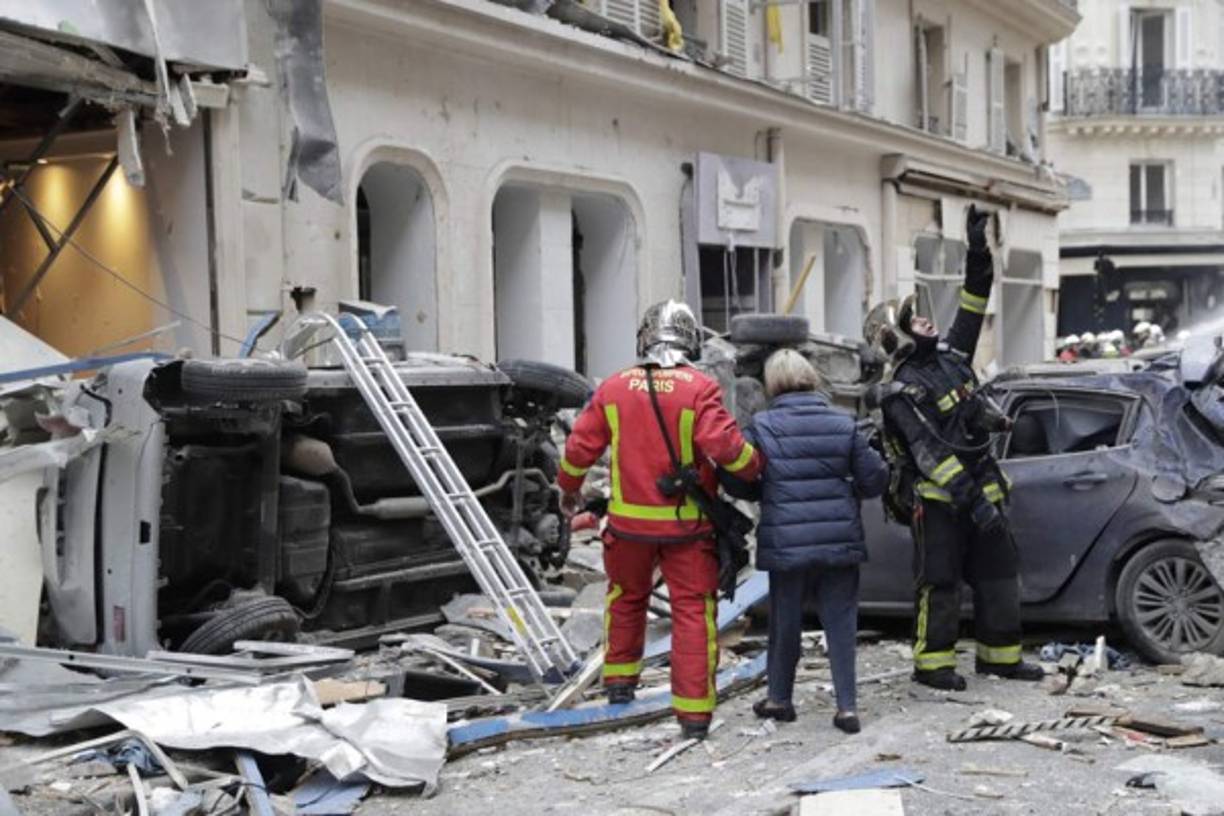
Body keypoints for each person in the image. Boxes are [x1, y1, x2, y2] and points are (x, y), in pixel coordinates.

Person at [556, 300, 763, 740]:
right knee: (692, 613)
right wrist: (755, 466)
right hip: (686, 529)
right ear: (689, 339)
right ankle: (694, 715)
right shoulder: (699, 388)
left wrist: (569, 490)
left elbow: (578, 449)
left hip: (627, 526)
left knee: (625, 598)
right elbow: (727, 450)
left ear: (645, 338)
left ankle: (619, 683)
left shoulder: (614, 387)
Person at [865, 206, 1044, 691]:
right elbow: (931, 456)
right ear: (897, 337)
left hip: (981, 486)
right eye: (913, 318)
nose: (926, 319)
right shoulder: (901, 392)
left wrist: (977, 249)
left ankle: (1000, 659)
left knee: (999, 573)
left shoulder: (952, 358)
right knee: (939, 580)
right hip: (940, 500)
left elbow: (975, 300)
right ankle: (933, 666)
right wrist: (975, 503)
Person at [728, 349, 887, 733]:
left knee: (785, 623)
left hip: (786, 543)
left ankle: (779, 700)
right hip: (838, 539)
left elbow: (740, 481)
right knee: (841, 623)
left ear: (772, 383)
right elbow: (874, 480)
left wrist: (765, 491)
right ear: (811, 377)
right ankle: (847, 707)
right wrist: (847, 490)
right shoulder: (844, 422)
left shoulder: (761, 426)